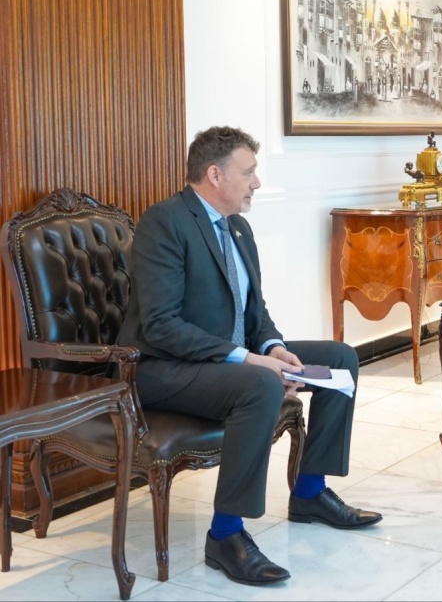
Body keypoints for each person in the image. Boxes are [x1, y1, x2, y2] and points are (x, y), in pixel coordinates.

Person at [118, 126, 381, 585]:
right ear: (215, 174)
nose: (257, 183)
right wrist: (249, 360)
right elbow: (160, 325)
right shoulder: (165, 222)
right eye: (249, 172)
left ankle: (309, 491)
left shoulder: (238, 227)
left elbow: (254, 312)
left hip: (223, 357)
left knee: (340, 358)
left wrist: (273, 348)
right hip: (164, 367)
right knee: (260, 382)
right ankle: (225, 534)